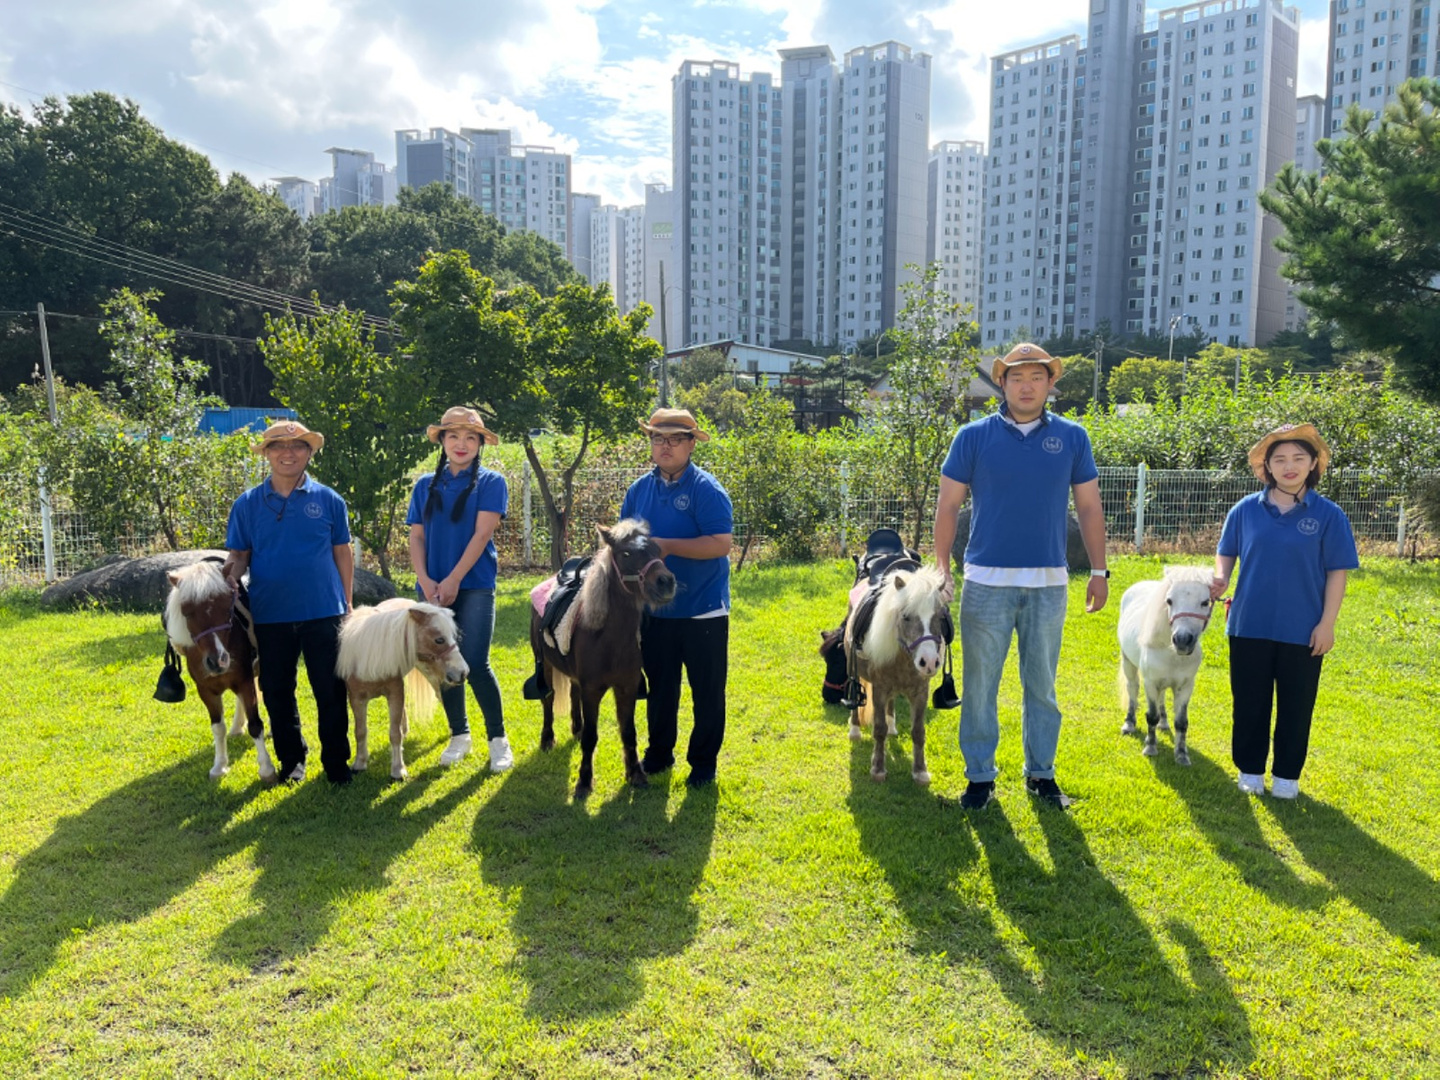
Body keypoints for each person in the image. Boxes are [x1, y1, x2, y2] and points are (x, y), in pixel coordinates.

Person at [932, 343, 1110, 810]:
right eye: (1016, 378)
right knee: (979, 686)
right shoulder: (972, 437)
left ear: (1051, 384)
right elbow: (948, 505)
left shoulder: (1073, 437)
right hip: (985, 583)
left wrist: (1098, 570)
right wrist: (942, 568)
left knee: (1042, 687)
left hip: (1049, 584)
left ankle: (1041, 774)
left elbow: (1090, 507)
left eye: (1036, 377)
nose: (1026, 385)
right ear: (1002, 384)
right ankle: (979, 779)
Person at [1210, 423, 1358, 799]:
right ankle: (1251, 771)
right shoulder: (1245, 510)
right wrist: (1221, 578)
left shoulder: (1329, 515)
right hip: (1249, 625)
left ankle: (1288, 777)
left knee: (1296, 706)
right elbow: (1227, 551)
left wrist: (1327, 624)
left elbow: (1336, 573)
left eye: (1298, 458)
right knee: (1250, 703)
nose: (1289, 466)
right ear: (1267, 467)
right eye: (1280, 459)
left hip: (1304, 629)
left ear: (1312, 464)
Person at [223, 420, 354, 785]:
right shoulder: (247, 504)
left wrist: (347, 602)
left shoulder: (329, 500)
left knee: (330, 688)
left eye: (297, 446)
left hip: (324, 611)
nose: (288, 453)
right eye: (278, 446)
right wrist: (230, 575)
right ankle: (292, 761)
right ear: (266, 453)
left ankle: (336, 762)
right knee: (277, 691)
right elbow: (240, 553)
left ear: (309, 452)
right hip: (271, 613)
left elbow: (342, 553)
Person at [621, 407, 733, 788]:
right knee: (660, 688)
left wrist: (667, 546)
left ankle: (703, 764)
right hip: (654, 611)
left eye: (674, 439)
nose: (664, 446)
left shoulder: (706, 489)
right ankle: (659, 754)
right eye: (657, 438)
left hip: (703, 609)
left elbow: (721, 544)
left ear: (690, 445)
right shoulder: (638, 490)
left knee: (707, 692)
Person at [407, 406, 513, 772]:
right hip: (431, 587)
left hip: (475, 586)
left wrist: (453, 579)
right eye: (453, 436)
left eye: (471, 437)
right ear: (442, 442)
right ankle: (459, 735)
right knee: (443, 662)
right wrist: (425, 580)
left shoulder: (492, 482)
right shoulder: (425, 485)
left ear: (481, 443)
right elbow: (416, 536)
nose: (461, 444)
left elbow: (482, 534)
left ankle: (498, 740)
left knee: (476, 663)